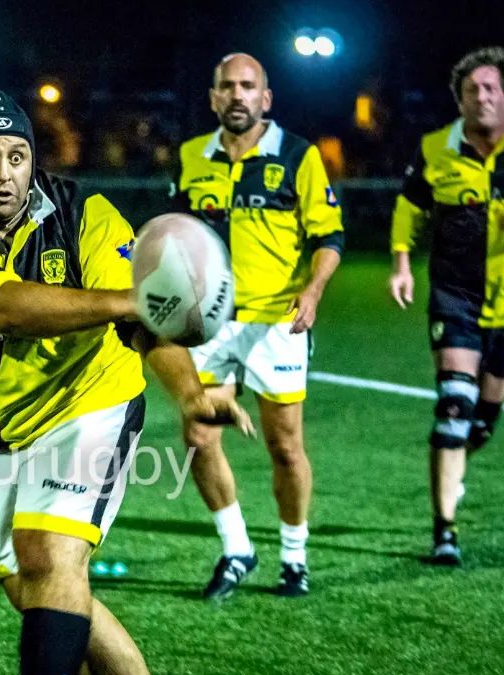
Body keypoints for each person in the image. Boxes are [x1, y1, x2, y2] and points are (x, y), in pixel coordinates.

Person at [0, 88, 253, 675]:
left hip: (94, 402)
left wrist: (191, 393)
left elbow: (147, 322)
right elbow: (8, 306)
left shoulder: (85, 211)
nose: (3, 173)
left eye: (16, 155)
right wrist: (130, 301)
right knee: (36, 589)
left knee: (49, 554)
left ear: (34, 159)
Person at [170, 53, 345, 599]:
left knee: (285, 447)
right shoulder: (190, 157)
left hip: (276, 323)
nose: (238, 95)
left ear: (265, 98)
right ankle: (236, 548)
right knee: (200, 436)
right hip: (209, 322)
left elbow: (330, 239)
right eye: (228, 86)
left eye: (249, 86)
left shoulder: (298, 156)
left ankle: (294, 556)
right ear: (214, 97)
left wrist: (312, 292)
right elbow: (176, 229)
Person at [389, 46, 504, 565]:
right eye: (471, 90)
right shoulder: (437, 148)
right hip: (455, 299)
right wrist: (403, 262)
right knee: (454, 411)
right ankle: (444, 533)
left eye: (490, 89)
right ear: (459, 100)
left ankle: (454, 466)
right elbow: (410, 205)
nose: (481, 97)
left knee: (481, 423)